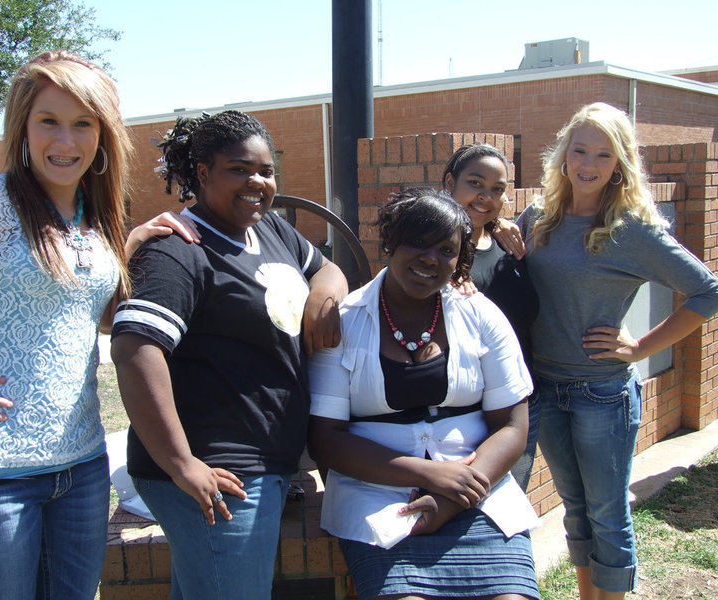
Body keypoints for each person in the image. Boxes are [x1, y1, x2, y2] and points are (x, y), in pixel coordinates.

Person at [0, 50, 198, 600]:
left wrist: (132, 245)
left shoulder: (96, 219)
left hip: (81, 469)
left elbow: (78, 315)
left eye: (82, 124)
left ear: (103, 134)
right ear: (23, 125)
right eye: (49, 121)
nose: (65, 142)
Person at [110, 110, 348, 600]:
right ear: (203, 173)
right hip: (219, 474)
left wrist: (322, 305)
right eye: (239, 169)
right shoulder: (179, 250)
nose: (257, 182)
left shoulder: (270, 231)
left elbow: (327, 270)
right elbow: (135, 350)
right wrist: (181, 464)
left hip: (266, 461)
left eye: (266, 169)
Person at [497, 102, 718, 600]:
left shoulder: (630, 229)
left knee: (607, 515)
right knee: (575, 509)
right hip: (545, 389)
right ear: (563, 154)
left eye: (603, 154)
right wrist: (501, 230)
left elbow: (708, 291)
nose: (589, 164)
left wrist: (640, 346)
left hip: (602, 393)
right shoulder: (541, 216)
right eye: (580, 150)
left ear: (620, 162)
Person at [308, 187, 540, 600]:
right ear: (391, 241)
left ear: (459, 258)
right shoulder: (344, 322)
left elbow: (512, 426)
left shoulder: (482, 315)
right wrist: (430, 475)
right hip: (376, 498)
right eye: (417, 242)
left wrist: (453, 497)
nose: (430, 258)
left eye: (446, 249)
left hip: (479, 495)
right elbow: (326, 441)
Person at [441, 143, 540, 491]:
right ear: (450, 183)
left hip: (522, 404)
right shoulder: (435, 252)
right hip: (466, 414)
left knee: (513, 505)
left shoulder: (508, 244)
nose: (486, 196)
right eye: (475, 183)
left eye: (497, 189)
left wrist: (496, 224)